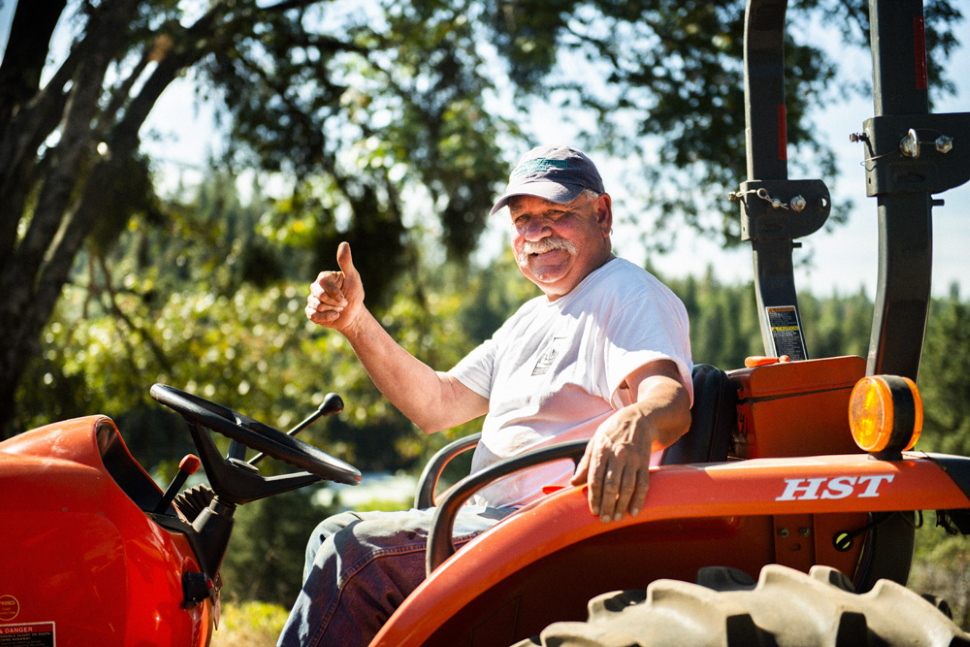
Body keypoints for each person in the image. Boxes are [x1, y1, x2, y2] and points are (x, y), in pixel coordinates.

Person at [278, 144, 693, 647]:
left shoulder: (626, 293)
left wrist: (635, 422)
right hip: (488, 519)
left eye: (557, 214)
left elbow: (668, 399)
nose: (537, 233)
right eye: (523, 220)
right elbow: (437, 404)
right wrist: (356, 322)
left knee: (355, 553)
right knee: (332, 530)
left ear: (602, 214)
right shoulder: (532, 318)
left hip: (550, 533)